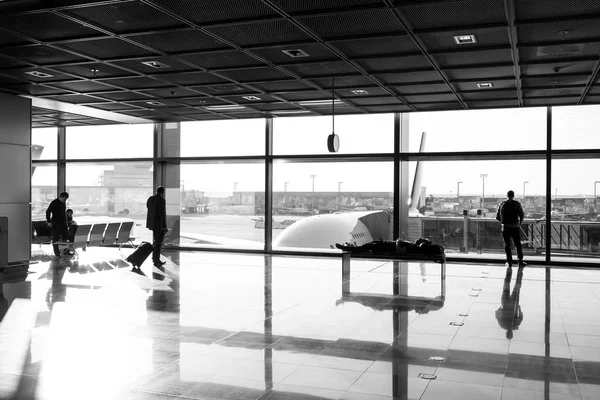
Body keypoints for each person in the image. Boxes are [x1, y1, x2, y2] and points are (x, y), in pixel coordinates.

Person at [496, 190, 527, 267]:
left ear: (507, 195)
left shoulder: (502, 204)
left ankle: (509, 261)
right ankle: (520, 260)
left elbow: (498, 217)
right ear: (513, 195)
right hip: (515, 227)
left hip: (505, 227)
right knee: (517, 244)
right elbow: (521, 215)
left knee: (507, 245)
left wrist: (503, 223)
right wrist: (519, 223)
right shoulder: (517, 204)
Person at [495, 265, 524, 339]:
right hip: (505, 303)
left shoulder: (515, 325)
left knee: (517, 286)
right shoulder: (502, 325)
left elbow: (520, 317)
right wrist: (500, 308)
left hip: (514, 305)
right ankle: (509, 270)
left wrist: (519, 308)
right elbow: (497, 315)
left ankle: (520, 271)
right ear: (506, 333)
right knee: (506, 286)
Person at [147, 186, 168, 267]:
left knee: (156, 240)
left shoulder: (150, 199)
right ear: (162, 192)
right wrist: (164, 225)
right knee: (158, 242)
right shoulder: (162, 201)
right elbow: (162, 214)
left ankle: (154, 258)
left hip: (152, 224)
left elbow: (149, 209)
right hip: (159, 224)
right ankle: (156, 260)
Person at [46, 192, 69, 258]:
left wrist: (67, 221)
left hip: (63, 223)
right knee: (55, 238)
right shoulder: (54, 203)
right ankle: (57, 253)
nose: (65, 201)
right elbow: (48, 212)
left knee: (65, 237)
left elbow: (64, 213)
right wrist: (49, 221)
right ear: (61, 197)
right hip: (56, 223)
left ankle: (66, 251)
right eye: (64, 199)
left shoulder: (63, 203)